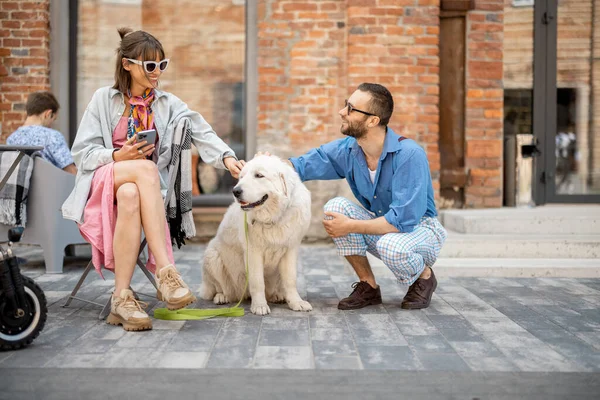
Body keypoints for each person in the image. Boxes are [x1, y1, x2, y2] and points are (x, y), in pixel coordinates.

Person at [61, 28, 244, 331]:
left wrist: (227, 158)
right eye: (149, 66)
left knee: (133, 193)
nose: (157, 72)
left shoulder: (167, 103)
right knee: (145, 169)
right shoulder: (102, 100)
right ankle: (166, 274)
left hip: (139, 191)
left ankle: (121, 298)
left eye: (162, 64)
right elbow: (82, 154)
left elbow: (201, 130)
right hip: (103, 181)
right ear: (127, 65)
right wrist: (119, 156)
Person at [286, 83, 447, 310]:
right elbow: (303, 165)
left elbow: (403, 220)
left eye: (351, 108)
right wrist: (263, 167)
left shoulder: (409, 155)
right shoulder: (349, 149)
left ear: (373, 121)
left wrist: (350, 226)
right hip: (385, 228)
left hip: (421, 229)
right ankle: (368, 286)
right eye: (345, 105)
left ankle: (424, 276)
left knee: (391, 246)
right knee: (335, 209)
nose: (342, 112)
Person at [7, 91, 77, 174]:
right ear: (48, 114)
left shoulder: (11, 139)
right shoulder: (52, 136)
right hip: (51, 185)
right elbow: (72, 172)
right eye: (53, 119)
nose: (51, 125)